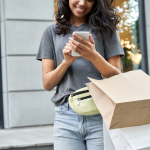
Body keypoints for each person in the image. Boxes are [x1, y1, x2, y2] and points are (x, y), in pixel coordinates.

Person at [36, 0, 125, 149]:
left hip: (100, 113)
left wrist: (93, 56)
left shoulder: (107, 30)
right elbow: (47, 84)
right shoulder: (51, 32)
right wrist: (66, 62)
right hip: (66, 116)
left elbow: (116, 76)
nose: (82, 3)